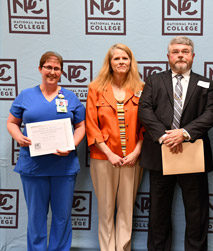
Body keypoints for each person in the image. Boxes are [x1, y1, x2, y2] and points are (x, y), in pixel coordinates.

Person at [138, 36, 213, 250]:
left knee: (196, 212)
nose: (180, 55)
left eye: (185, 51)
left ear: (193, 56)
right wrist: (165, 137)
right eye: (175, 51)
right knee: (158, 212)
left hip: (193, 155)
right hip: (161, 154)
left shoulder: (206, 83)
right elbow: (144, 111)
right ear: (168, 56)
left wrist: (183, 133)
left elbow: (211, 114)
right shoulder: (154, 81)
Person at [6, 51, 86, 251]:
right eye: (48, 67)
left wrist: (72, 144)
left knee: (62, 216)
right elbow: (11, 122)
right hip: (34, 167)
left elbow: (81, 126)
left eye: (56, 68)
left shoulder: (69, 97)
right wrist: (18, 136)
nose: (52, 72)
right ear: (40, 69)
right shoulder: (26, 95)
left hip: (64, 167)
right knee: (36, 216)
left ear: (61, 71)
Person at [85, 43, 144, 251]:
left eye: (125, 58)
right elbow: (91, 125)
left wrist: (137, 152)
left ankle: (123, 248)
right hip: (103, 159)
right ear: (109, 63)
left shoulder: (141, 88)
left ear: (131, 62)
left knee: (127, 210)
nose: (121, 62)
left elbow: (146, 126)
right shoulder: (95, 88)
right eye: (116, 58)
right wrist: (109, 153)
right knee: (106, 210)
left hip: (132, 160)